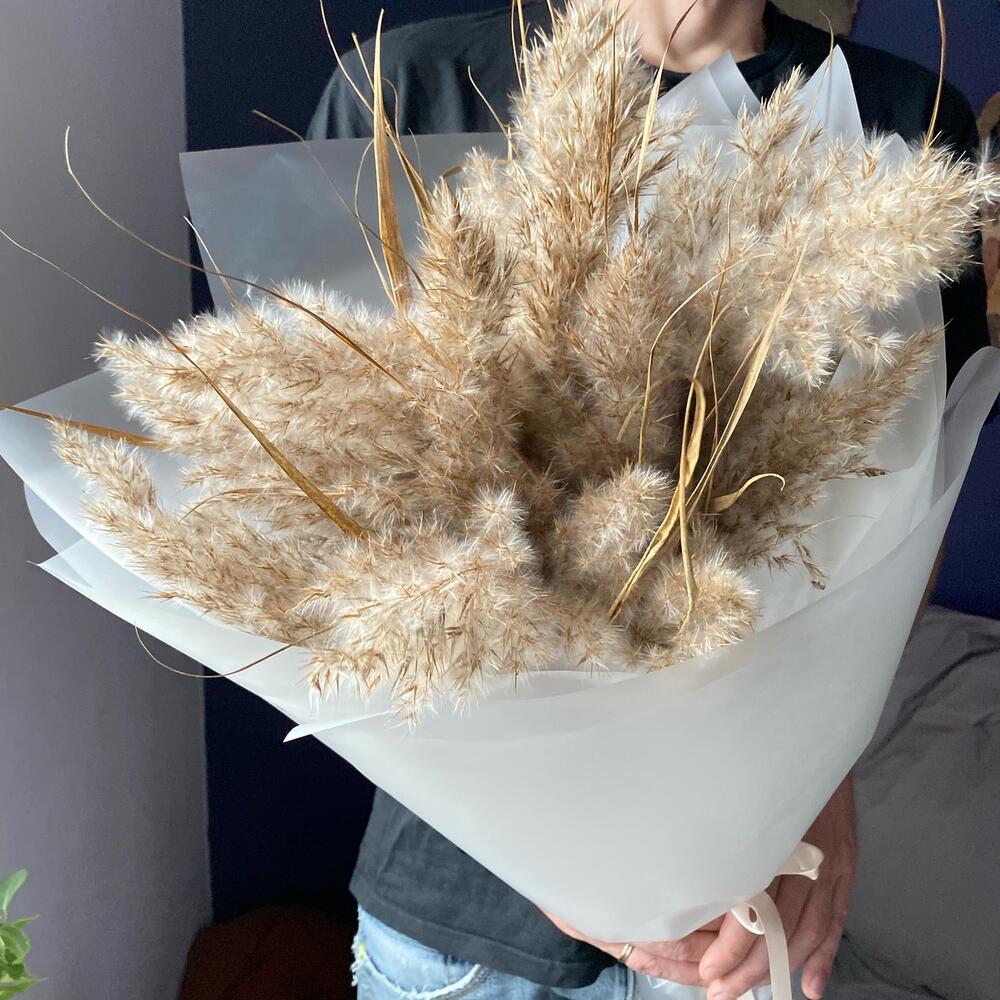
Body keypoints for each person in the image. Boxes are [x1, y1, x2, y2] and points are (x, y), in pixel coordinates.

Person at [309, 3, 990, 999]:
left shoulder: (902, 117)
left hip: (745, 900)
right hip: (469, 923)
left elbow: (910, 490)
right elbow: (338, 511)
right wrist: (558, 851)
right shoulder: (410, 90)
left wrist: (827, 770)